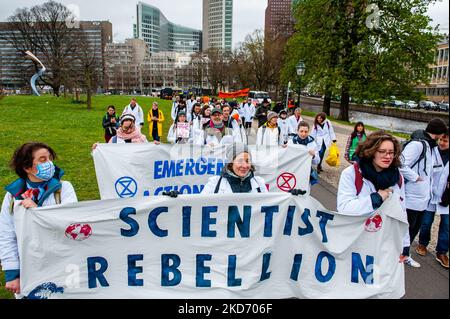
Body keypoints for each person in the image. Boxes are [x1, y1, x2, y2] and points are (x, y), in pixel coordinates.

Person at [0, 142, 78, 296]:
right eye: (42, 160)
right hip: (29, 267)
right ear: (27, 167)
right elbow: (6, 235)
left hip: (61, 265)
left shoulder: (64, 189)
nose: (49, 163)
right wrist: (12, 274)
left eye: (49, 158)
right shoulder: (12, 197)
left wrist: (38, 212)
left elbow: (71, 224)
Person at [336, 132, 411, 265]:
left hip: (384, 243)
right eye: (382, 151)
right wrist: (376, 198)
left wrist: (404, 246)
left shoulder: (398, 177)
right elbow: (344, 209)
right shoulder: (351, 174)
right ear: (371, 152)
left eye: (391, 152)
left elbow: (402, 212)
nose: (388, 156)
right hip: (356, 240)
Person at [400, 118, 448, 267]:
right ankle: (397, 256)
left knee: (413, 230)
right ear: (438, 133)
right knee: (406, 230)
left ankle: (404, 255)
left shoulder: (430, 146)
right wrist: (416, 178)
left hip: (423, 199)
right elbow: (400, 163)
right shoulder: (418, 145)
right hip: (411, 197)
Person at [417, 129, 449, 268]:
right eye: (441, 139)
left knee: (447, 225)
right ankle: (423, 244)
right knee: (426, 222)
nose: (442, 143)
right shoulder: (432, 151)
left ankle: (441, 252)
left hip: (446, 196)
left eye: (446, 141)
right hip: (430, 194)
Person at [201, 143, 268, 194]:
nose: (244, 166)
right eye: (240, 161)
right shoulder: (214, 184)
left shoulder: (259, 183)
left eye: (247, 161)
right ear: (231, 162)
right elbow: (199, 207)